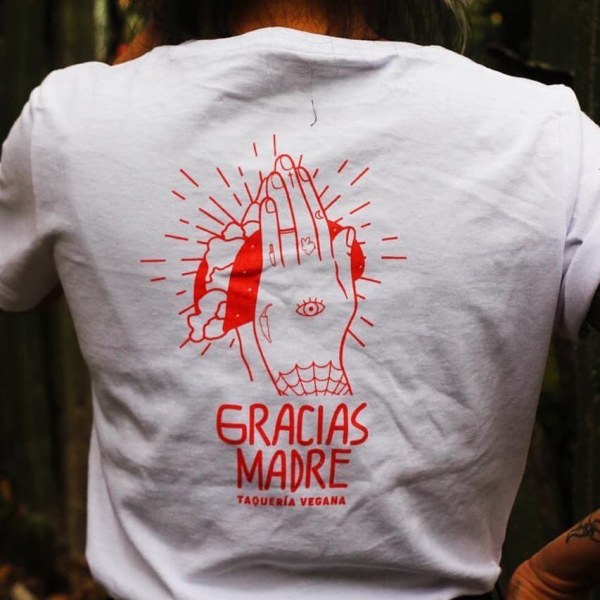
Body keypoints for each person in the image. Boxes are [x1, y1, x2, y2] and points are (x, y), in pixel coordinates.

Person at [1, 0, 599, 598]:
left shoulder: (73, 124)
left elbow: (32, 285)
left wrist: (153, 35)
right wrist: (555, 575)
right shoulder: (540, 134)